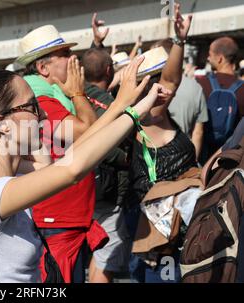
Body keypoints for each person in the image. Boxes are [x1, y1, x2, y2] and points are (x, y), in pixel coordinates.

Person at [0, 54, 171, 282]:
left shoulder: (16, 174)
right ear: (2, 125)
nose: (44, 114)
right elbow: (72, 170)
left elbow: (72, 155)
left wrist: (122, 104)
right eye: (32, 106)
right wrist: (133, 112)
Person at [17, 23, 100, 283]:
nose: (72, 59)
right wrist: (77, 93)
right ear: (43, 68)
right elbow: (87, 131)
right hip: (55, 221)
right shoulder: (41, 101)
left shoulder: (54, 96)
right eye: (64, 55)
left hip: (69, 217)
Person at [125, 4, 195, 283]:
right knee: (163, 279)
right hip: (155, 226)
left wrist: (180, 40)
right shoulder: (146, 114)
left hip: (178, 221)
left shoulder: (162, 111)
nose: (165, 89)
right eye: (155, 81)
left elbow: (171, 79)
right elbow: (171, 79)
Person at [82, 47, 132, 283]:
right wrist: (127, 159)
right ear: (109, 70)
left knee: (97, 254)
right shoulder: (108, 104)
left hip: (79, 188)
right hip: (106, 191)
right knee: (107, 256)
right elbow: (104, 143)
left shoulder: (76, 96)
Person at [150, 40, 209, 162]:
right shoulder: (196, 87)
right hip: (184, 157)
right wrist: (193, 162)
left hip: (154, 160)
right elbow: (198, 132)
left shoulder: (149, 89)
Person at [196, 37, 244, 162]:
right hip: (230, 157)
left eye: (210, 54)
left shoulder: (201, 83)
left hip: (203, 154)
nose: (207, 58)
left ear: (220, 58)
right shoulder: (242, 88)